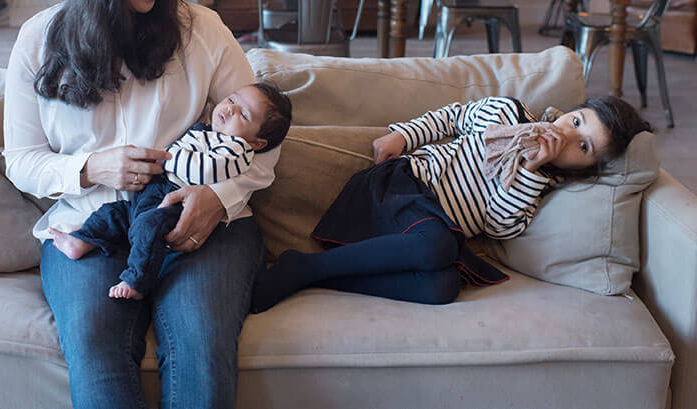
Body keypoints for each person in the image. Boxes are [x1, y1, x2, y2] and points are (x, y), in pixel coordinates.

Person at [2, 0, 281, 409]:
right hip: (89, 223)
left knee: (200, 340)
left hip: (198, 220)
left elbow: (264, 138)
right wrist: (89, 168)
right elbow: (21, 159)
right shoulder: (39, 38)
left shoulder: (203, 30)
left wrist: (216, 200)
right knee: (94, 348)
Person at [251, 95, 652, 313]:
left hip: (428, 234)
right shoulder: (507, 113)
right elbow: (453, 117)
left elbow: (497, 227)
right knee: (437, 245)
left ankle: (307, 272)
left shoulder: (540, 187)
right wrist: (403, 137)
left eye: (584, 147)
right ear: (568, 112)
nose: (569, 135)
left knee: (441, 288)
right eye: (578, 121)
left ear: (582, 169)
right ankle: (306, 267)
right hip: (402, 190)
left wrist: (530, 170)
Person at [50, 81, 292, 300]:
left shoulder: (238, 151)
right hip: (151, 192)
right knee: (112, 213)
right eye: (231, 99)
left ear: (257, 143)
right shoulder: (205, 131)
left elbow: (205, 171)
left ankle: (136, 280)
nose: (229, 109)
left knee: (148, 227)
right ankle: (82, 240)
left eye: (244, 114)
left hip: (177, 201)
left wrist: (166, 158)